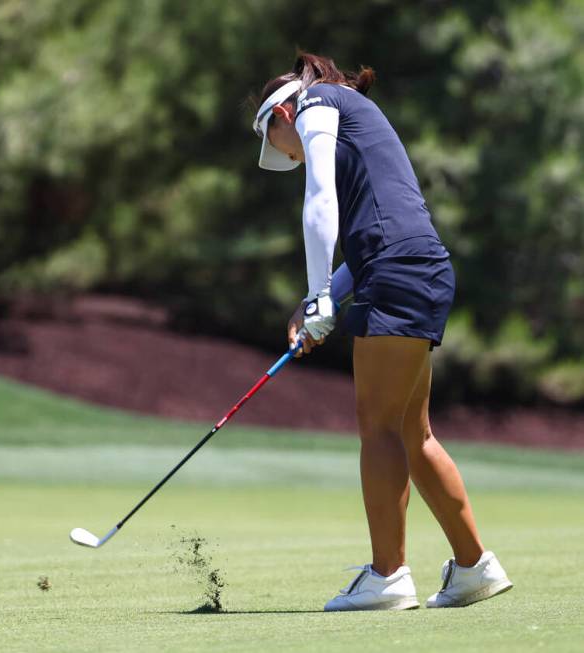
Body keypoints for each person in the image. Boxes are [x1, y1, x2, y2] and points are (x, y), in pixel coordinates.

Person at [252, 53, 513, 611]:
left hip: (399, 272)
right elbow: (372, 240)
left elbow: (319, 199)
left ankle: (387, 576)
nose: (288, 153)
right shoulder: (353, 111)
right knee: (411, 432)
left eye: (282, 141)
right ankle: (473, 568)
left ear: (284, 112)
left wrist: (321, 293)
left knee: (379, 429)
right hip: (417, 268)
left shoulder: (318, 102)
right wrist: (318, 299)